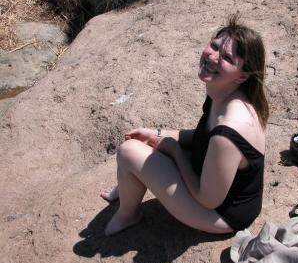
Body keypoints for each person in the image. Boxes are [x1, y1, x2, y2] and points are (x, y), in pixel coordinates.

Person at [101, 14, 269, 236]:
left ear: (242, 76)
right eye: (214, 46)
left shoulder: (228, 131)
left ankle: (128, 215)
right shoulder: (223, 91)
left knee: (128, 151)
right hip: (209, 178)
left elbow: (207, 199)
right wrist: (155, 133)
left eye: (227, 58)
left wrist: (175, 151)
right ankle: (126, 187)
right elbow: (202, 136)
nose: (213, 56)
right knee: (142, 143)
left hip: (221, 214)